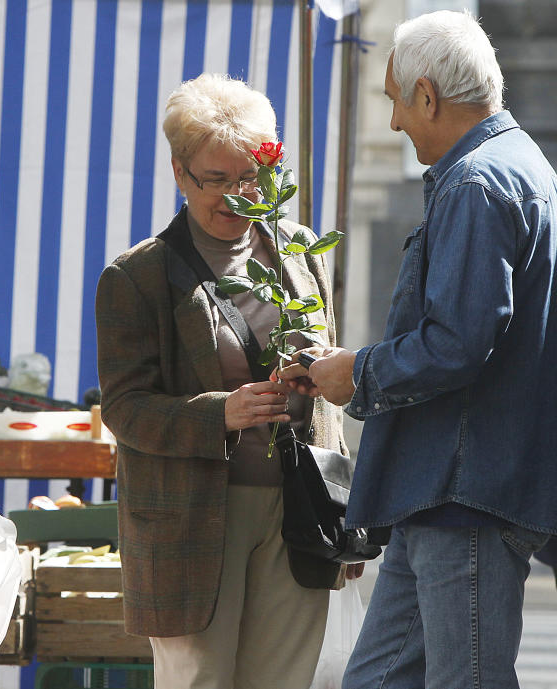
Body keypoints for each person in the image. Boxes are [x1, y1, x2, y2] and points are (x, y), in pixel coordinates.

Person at [280, 11, 556, 688]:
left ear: (427, 95)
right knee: (374, 680)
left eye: (396, 101)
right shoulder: (518, 166)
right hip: (448, 491)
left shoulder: (476, 182)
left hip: (463, 490)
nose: (396, 122)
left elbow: (460, 343)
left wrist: (359, 371)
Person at [95, 73, 350, 689]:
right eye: (218, 180)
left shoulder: (300, 250)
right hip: (192, 521)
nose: (238, 195)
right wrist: (220, 413)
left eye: (251, 178)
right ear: (180, 173)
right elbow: (124, 409)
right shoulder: (138, 277)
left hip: (297, 512)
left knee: (285, 681)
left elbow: (328, 385)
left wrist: (343, 512)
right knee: (199, 681)